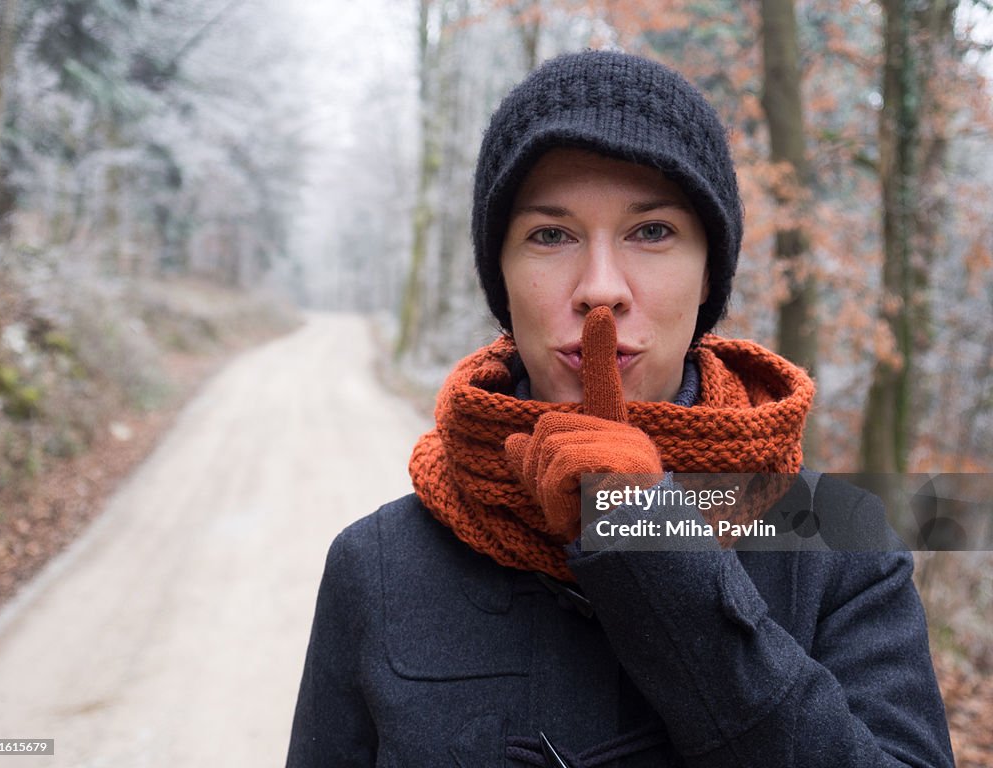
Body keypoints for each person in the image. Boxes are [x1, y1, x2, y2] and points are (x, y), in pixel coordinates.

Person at [285, 50, 954, 767]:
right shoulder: (378, 564)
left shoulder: (841, 542)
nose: (600, 288)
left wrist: (649, 535)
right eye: (551, 235)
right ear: (501, 279)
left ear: (707, 277)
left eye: (652, 232)